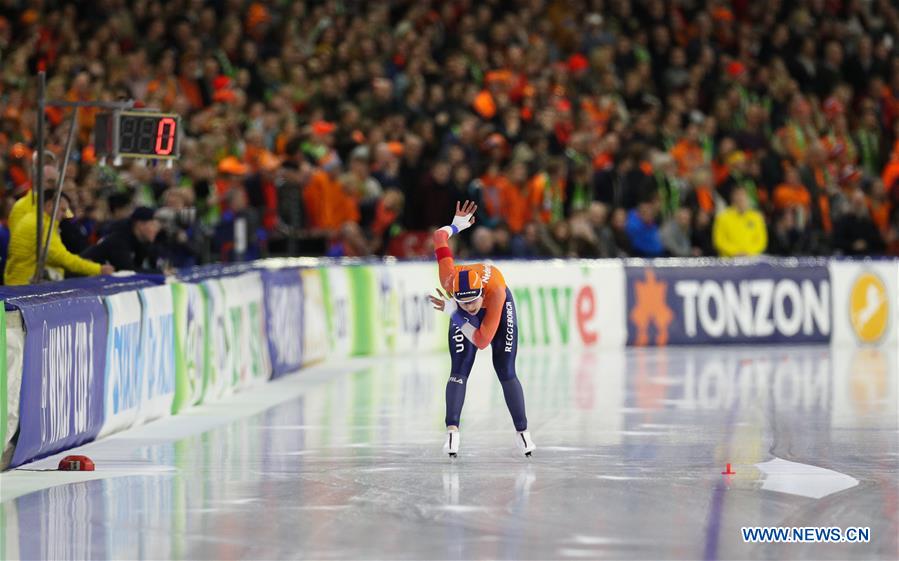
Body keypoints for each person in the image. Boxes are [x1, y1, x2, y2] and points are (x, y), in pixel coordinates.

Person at [428, 200, 535, 458]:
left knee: (505, 368)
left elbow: (482, 340)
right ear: (454, 293)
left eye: (473, 301)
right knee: (459, 368)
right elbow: (439, 236)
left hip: (498, 301)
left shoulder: (494, 293)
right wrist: (455, 226)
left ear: (480, 294)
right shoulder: (448, 279)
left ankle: (523, 433)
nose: (471, 307)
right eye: (463, 302)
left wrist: (454, 311)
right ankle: (452, 432)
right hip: (460, 304)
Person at [4, 190, 113, 285]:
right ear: (49, 205)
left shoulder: (31, 218)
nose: (64, 215)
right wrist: (98, 269)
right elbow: (63, 258)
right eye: (62, 209)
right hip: (25, 288)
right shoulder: (41, 225)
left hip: (15, 283)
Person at [81, 207, 163, 273]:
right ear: (140, 225)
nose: (156, 229)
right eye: (152, 224)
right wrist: (160, 273)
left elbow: (141, 266)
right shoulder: (119, 240)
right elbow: (128, 271)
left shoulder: (140, 241)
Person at [712, 185, 768, 257]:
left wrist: (748, 252)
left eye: (743, 194)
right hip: (729, 261)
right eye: (738, 194)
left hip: (751, 261)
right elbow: (719, 241)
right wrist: (735, 252)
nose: (740, 197)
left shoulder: (756, 217)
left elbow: (761, 241)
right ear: (732, 197)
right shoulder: (722, 217)